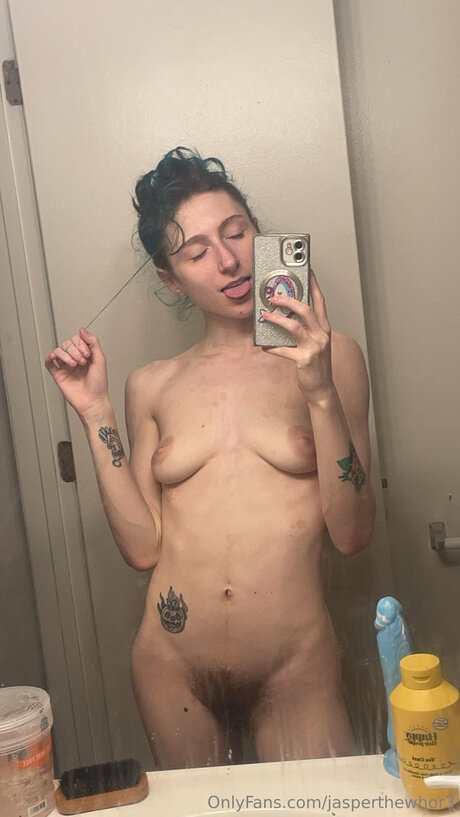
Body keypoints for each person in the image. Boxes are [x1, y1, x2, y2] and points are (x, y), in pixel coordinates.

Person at [45, 147, 376, 770]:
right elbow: (142, 548)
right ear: (171, 279)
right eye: (196, 252)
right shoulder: (152, 385)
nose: (228, 261)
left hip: (296, 665)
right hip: (172, 668)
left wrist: (319, 390)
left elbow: (353, 533)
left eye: (236, 232)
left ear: (260, 234)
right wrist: (95, 414)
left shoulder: (336, 357)